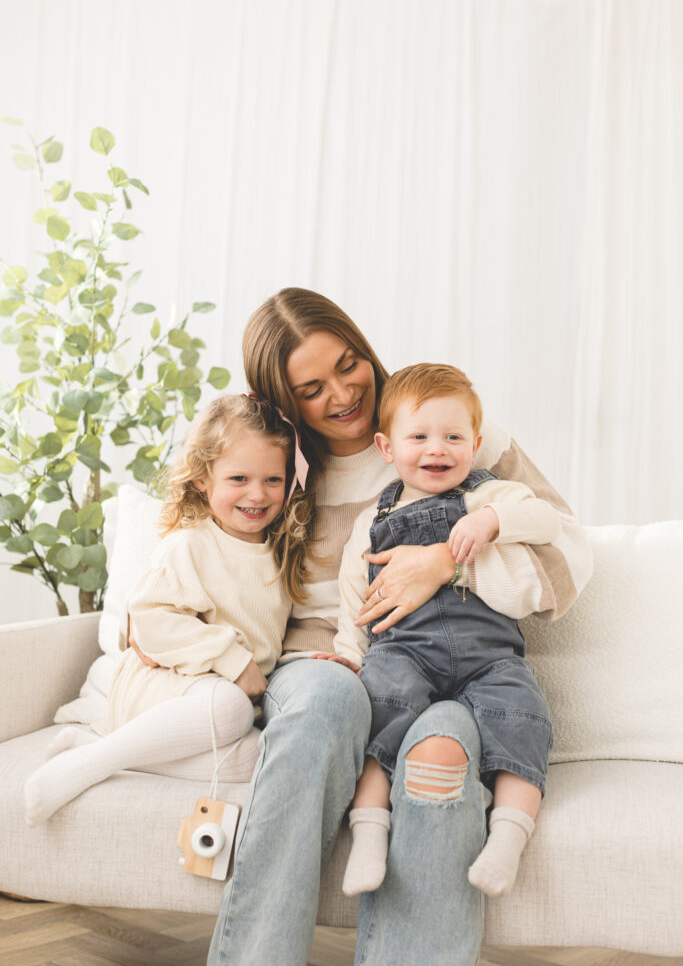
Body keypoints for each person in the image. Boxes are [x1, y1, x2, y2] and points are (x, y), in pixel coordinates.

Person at [206, 288, 593, 966]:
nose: (342, 394)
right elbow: (200, 554)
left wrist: (446, 562)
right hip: (330, 658)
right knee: (325, 704)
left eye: (349, 364)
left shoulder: (443, 427)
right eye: (311, 388)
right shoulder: (275, 462)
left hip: (461, 652)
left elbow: (563, 546)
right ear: (283, 401)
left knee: (440, 746)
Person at [23, 394, 308, 826]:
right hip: (160, 688)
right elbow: (148, 622)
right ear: (201, 479)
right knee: (231, 708)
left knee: (260, 756)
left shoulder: (279, 551)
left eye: (273, 479)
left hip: (212, 707)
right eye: (238, 478)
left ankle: (109, 751)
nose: (257, 493)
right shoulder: (191, 544)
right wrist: (233, 661)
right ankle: (87, 765)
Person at [330, 363, 558, 900]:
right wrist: (348, 654)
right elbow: (353, 601)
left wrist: (493, 522)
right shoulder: (373, 519)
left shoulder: (488, 496)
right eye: (420, 436)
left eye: (454, 436)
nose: (438, 449)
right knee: (378, 711)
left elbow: (546, 520)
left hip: (490, 656)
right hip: (404, 651)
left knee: (524, 715)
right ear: (387, 447)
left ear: (475, 444)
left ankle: (507, 837)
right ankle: (368, 832)